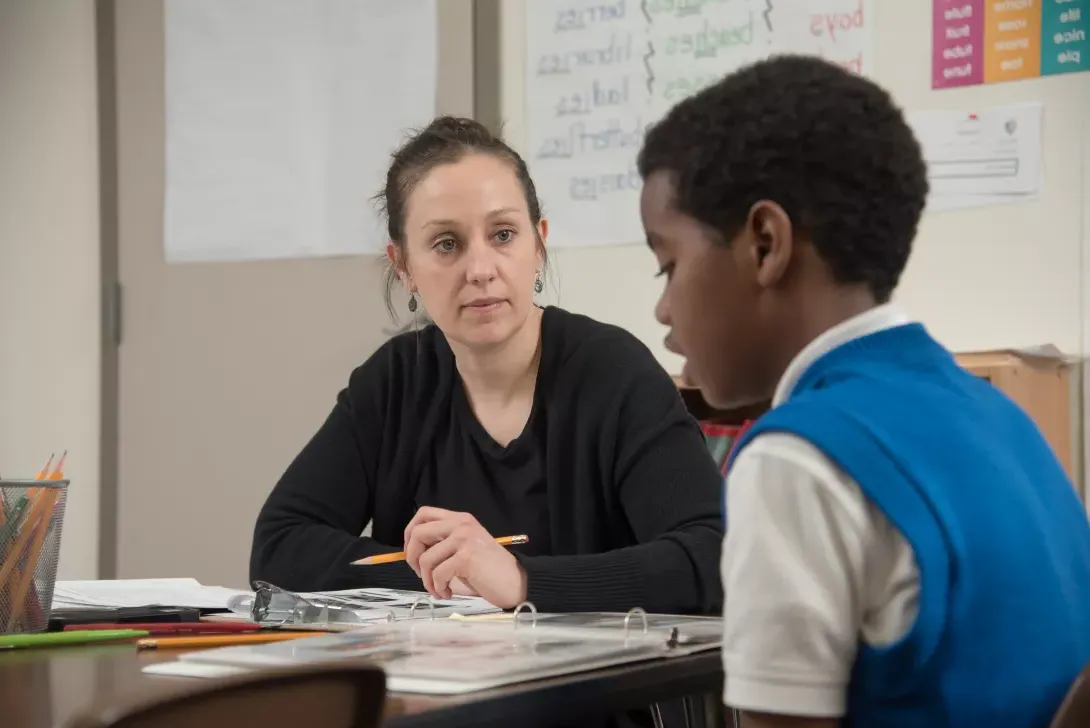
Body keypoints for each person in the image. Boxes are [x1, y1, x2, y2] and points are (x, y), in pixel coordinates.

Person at [637, 54, 1090, 728]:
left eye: (667, 265)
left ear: (765, 244)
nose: (664, 309)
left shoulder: (794, 459)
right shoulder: (1001, 417)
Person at [249, 116, 724, 619]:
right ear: (403, 266)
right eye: (446, 244)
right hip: (432, 689)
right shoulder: (395, 381)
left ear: (538, 244)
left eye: (502, 234)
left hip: (589, 693)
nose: (480, 270)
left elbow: (714, 557)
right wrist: (450, 572)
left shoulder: (613, 372)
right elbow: (280, 548)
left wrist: (520, 579)